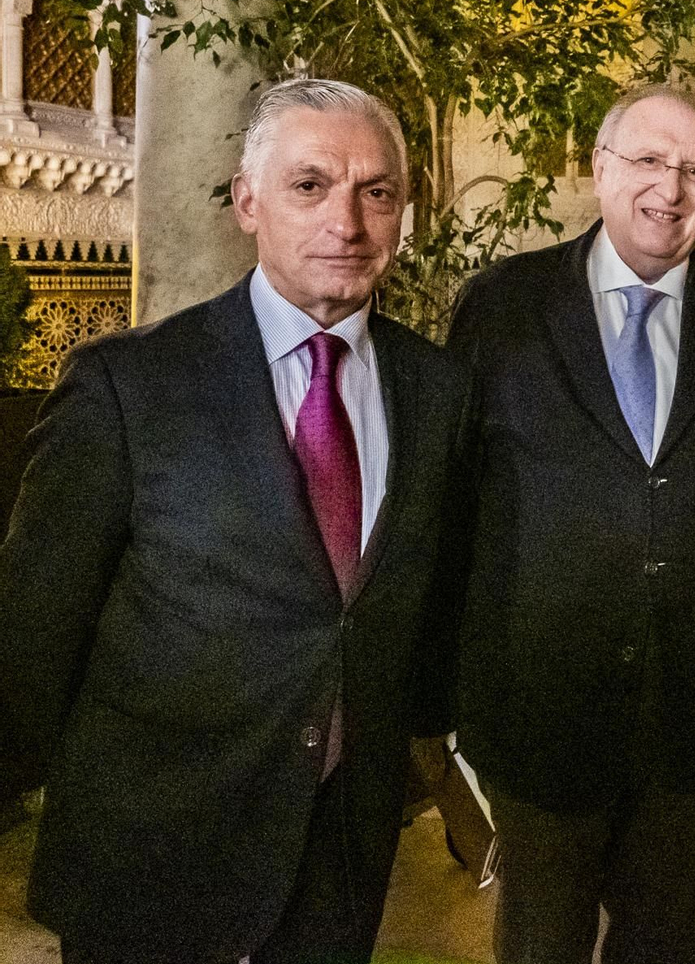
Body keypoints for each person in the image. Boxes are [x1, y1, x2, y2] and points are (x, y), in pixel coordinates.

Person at [0, 78, 472, 964]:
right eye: (310, 185)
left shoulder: (438, 393)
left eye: (378, 192)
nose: (349, 221)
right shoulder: (127, 387)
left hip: (339, 862)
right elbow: (34, 631)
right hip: (150, 855)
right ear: (247, 200)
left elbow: (422, 613)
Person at [446, 83, 695, 964]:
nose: (672, 188)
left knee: (666, 943)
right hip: (538, 706)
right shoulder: (502, 307)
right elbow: (454, 497)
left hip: (693, 714)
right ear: (599, 168)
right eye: (651, 161)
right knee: (540, 941)